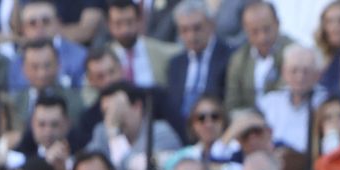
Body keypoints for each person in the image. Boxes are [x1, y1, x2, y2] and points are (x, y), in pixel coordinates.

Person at [85, 81, 182, 170]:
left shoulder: (161, 132)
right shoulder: (102, 131)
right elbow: (87, 166)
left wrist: (114, 132)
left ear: (137, 106)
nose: (111, 118)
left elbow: (140, 169)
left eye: (117, 111)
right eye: (106, 113)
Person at [167, 0, 232, 130]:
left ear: (211, 25)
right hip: (181, 131)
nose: (191, 36)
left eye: (197, 28)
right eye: (185, 30)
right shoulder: (175, 64)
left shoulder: (229, 57)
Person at [224, 0, 292, 113]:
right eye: (255, 32)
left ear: (277, 24)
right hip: (248, 123)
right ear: (246, 31)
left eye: (267, 29)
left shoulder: (291, 52)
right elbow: (232, 102)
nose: (262, 37)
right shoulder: (238, 59)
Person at [257, 44, 325, 155]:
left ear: (318, 75)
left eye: (306, 71)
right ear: (284, 73)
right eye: (294, 71)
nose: (299, 77)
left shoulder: (325, 104)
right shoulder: (269, 102)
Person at [105, 0, 178, 89]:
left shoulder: (160, 52)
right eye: (118, 24)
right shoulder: (104, 56)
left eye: (129, 22)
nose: (125, 30)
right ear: (109, 25)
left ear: (139, 21)